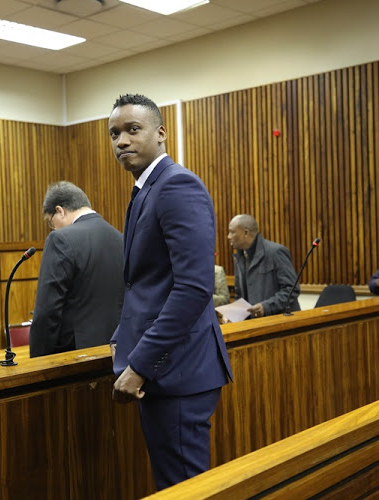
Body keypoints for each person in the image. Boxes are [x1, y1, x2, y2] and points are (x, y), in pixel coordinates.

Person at [108, 93, 233, 490]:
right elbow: (146, 285)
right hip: (167, 368)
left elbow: (193, 290)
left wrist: (140, 364)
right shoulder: (145, 190)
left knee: (184, 488)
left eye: (132, 130)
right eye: (114, 134)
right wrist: (119, 340)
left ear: (161, 133)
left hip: (177, 371)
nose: (121, 141)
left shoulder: (177, 185)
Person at [29, 181, 125, 357]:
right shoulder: (121, 239)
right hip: (117, 352)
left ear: (60, 210)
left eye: (51, 222)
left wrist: (37, 362)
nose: (53, 228)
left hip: (75, 357)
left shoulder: (60, 239)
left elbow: (47, 312)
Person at [227, 214, 299, 318]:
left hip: (280, 322)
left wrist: (266, 307)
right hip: (255, 324)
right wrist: (233, 313)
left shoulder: (275, 252)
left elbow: (292, 289)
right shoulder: (239, 257)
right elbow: (240, 296)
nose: (228, 236)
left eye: (232, 232)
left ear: (246, 233)